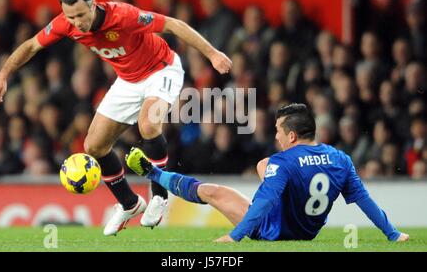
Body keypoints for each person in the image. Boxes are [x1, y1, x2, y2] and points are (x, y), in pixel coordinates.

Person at [0, 0, 232, 236]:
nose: (77, 22)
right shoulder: (65, 23)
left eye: (81, 15)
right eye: (71, 16)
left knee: (147, 124)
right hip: (128, 80)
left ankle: (159, 195)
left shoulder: (123, 15)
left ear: (93, 5)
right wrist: (2, 76)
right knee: (94, 146)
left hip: (161, 69)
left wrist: (212, 54)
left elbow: (173, 24)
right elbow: (31, 45)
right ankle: (129, 203)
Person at [126, 104, 409, 242]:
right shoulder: (341, 159)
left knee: (213, 192)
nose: (276, 137)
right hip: (307, 233)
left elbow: (264, 202)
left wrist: (236, 235)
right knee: (265, 165)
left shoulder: (283, 162)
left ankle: (153, 173)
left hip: (273, 231)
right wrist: (392, 233)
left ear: (293, 136)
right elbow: (364, 200)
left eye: (278, 132)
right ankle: (154, 172)